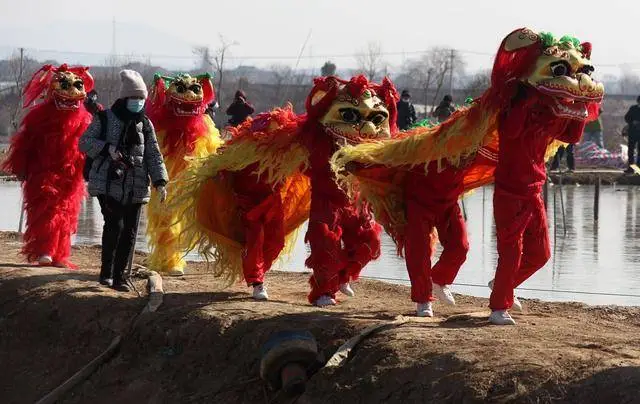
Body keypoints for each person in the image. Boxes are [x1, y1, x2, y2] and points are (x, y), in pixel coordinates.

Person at [79, 70, 169, 292]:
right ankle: (106, 273)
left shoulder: (145, 124)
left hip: (137, 185)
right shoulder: (105, 118)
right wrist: (108, 149)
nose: (138, 103)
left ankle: (120, 277)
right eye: (134, 98)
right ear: (124, 98)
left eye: (141, 99)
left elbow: (153, 154)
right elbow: (84, 142)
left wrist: (160, 181)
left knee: (129, 231)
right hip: (108, 183)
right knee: (114, 226)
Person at [624, 96, 640, 174]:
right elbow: (626, 118)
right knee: (630, 151)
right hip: (632, 133)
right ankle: (631, 168)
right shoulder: (633, 108)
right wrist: (632, 122)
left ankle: (638, 169)